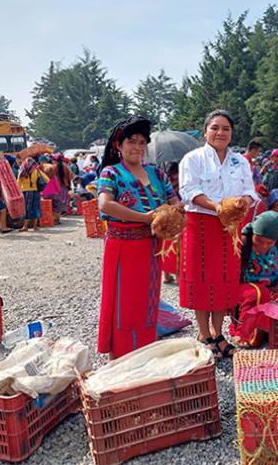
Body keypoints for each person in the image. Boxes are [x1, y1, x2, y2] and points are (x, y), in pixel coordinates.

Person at [98, 116, 179, 359]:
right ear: (118, 145)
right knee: (125, 304)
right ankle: (122, 356)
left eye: (142, 142)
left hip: (151, 246)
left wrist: (172, 214)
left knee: (148, 301)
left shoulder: (157, 174)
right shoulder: (111, 173)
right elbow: (105, 205)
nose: (137, 147)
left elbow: (174, 201)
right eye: (132, 141)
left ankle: (144, 351)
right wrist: (145, 218)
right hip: (123, 247)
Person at [179, 109, 259, 358]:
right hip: (201, 225)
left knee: (224, 280)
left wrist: (243, 202)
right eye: (215, 128)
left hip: (229, 228)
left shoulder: (240, 162)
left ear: (231, 134)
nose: (220, 133)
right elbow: (189, 191)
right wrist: (216, 207)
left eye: (225, 128)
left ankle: (219, 332)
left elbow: (250, 191)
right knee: (202, 280)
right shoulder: (192, 159)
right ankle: (204, 334)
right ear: (205, 132)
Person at [229, 211, 278, 348]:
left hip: (269, 290)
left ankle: (260, 331)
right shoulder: (243, 242)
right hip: (243, 289)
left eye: (269, 243)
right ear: (253, 233)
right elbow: (230, 273)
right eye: (259, 240)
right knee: (258, 293)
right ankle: (242, 333)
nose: (264, 246)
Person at [17, 157, 49, 232]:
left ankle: (25, 227)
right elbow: (47, 180)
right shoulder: (36, 170)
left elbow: (18, 183)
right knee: (36, 208)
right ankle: (35, 226)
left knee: (25, 210)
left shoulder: (22, 171)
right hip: (35, 192)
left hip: (25, 192)